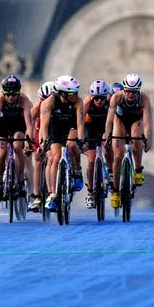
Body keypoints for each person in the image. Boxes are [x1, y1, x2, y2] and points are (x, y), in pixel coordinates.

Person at [104, 72, 152, 210]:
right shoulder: (116, 97)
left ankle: (137, 170)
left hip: (136, 121)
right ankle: (115, 192)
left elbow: (147, 122)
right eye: (128, 92)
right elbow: (109, 120)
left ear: (139, 91)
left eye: (134, 92)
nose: (131, 95)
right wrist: (107, 136)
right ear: (124, 90)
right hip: (120, 121)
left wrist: (147, 139)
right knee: (118, 157)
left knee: (137, 139)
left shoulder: (144, 99)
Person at [38, 74, 85, 211]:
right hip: (55, 130)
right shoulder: (50, 101)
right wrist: (44, 141)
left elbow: (80, 124)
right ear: (63, 93)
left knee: (71, 145)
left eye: (76, 92)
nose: (75, 95)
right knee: (55, 158)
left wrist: (81, 140)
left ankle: (77, 171)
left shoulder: (78, 101)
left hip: (71, 128)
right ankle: (53, 194)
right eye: (72, 93)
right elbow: (44, 126)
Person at [0, 75, 35, 202]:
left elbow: (29, 124)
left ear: (18, 93)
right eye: (7, 94)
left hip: (18, 127)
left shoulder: (24, 101)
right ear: (3, 93)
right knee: (2, 153)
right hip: (3, 127)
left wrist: (29, 141)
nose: (10, 97)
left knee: (17, 147)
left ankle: (20, 182)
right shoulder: (0, 100)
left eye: (14, 94)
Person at [82, 79, 114, 208]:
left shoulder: (111, 102)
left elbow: (114, 121)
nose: (99, 101)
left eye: (102, 98)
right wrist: (81, 137)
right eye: (96, 98)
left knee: (108, 149)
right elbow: (79, 122)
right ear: (91, 97)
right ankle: (90, 192)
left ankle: (111, 173)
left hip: (106, 128)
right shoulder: (86, 103)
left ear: (106, 96)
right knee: (91, 160)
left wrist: (110, 135)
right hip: (90, 130)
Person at [27, 80, 54, 212]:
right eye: (43, 99)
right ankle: (37, 196)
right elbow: (30, 124)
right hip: (40, 131)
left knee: (53, 157)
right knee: (38, 160)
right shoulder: (37, 107)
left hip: (54, 130)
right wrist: (29, 140)